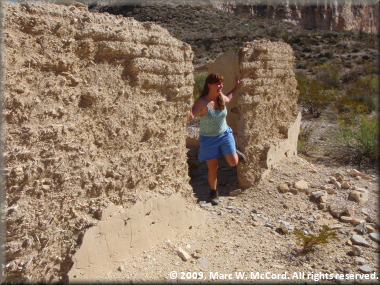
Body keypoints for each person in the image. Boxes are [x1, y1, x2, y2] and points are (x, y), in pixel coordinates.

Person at [188, 73, 246, 206]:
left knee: (233, 163)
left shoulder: (220, 97)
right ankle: (213, 192)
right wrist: (185, 104)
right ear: (209, 85)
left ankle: (234, 153)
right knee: (213, 168)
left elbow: (229, 99)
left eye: (222, 83)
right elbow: (191, 116)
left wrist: (236, 87)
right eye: (218, 84)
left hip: (225, 134)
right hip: (208, 140)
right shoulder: (201, 102)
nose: (221, 86)